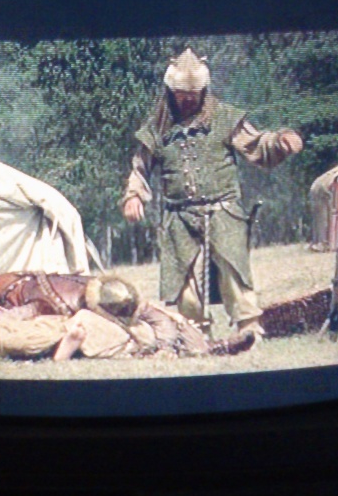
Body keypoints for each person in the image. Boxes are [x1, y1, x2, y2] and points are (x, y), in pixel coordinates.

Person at [121, 48, 304, 336]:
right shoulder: (157, 128)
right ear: (170, 92)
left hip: (224, 212)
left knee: (235, 274)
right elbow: (140, 167)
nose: (187, 99)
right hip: (180, 219)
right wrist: (133, 195)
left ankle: (249, 331)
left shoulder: (224, 118)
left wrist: (279, 141)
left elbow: (256, 144)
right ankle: (195, 337)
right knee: (185, 285)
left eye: (193, 94)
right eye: (181, 94)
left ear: (203, 91)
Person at [0, 274, 256, 369]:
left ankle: (212, 348)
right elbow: (29, 315)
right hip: (75, 326)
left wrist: (164, 347)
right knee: (38, 329)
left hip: (120, 337)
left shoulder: (131, 306)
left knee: (177, 323)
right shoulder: (88, 301)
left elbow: (162, 322)